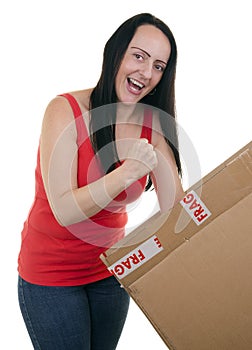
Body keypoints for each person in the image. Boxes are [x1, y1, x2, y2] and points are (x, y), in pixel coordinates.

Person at [17, 12, 185, 350]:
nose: (146, 72)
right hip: (51, 277)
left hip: (110, 274)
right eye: (138, 56)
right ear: (116, 53)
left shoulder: (151, 124)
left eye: (158, 66)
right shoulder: (64, 110)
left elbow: (175, 210)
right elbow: (64, 209)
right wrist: (125, 173)